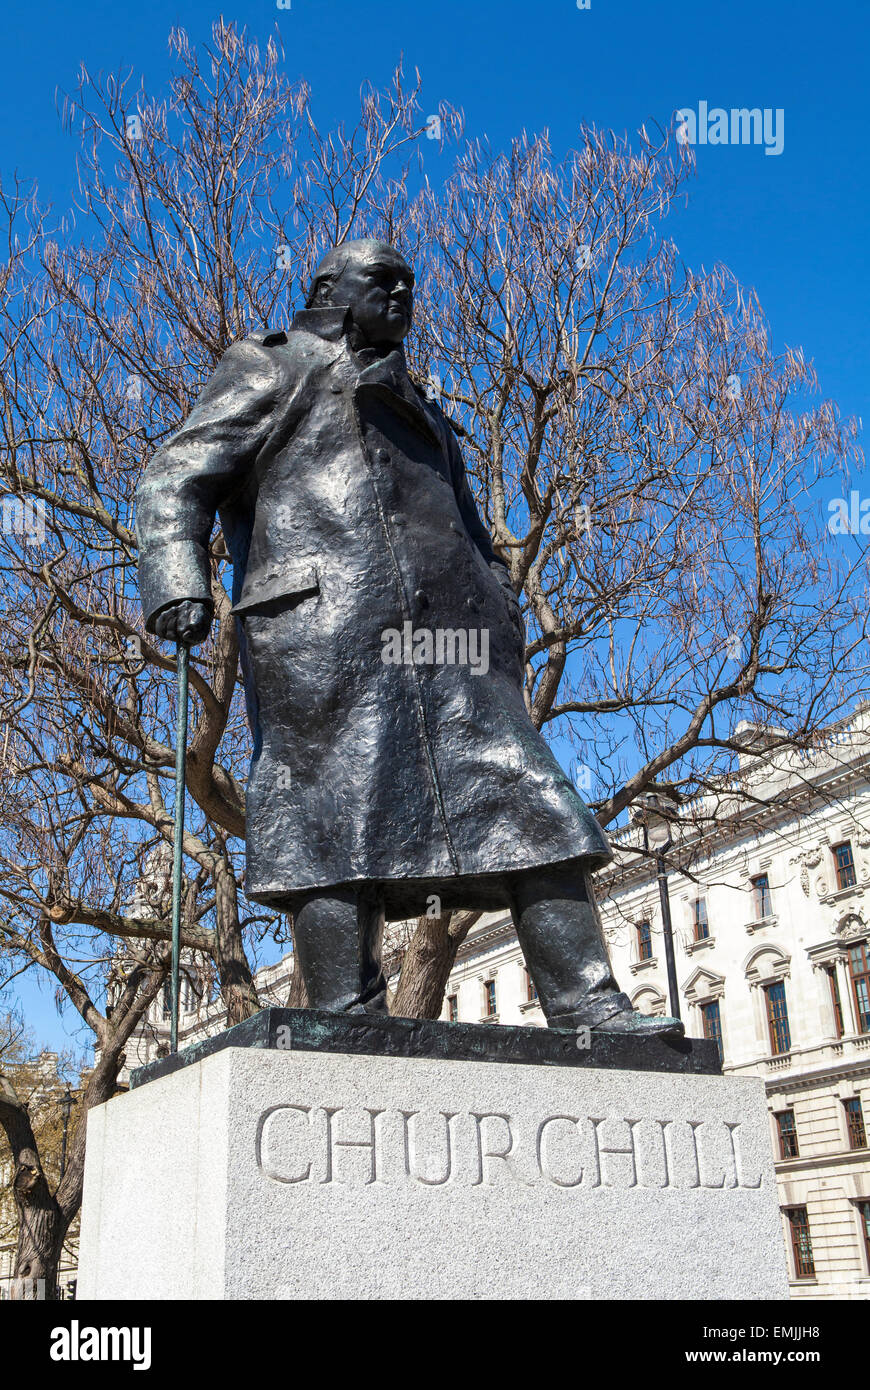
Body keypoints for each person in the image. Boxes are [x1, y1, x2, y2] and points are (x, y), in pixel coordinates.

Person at [137, 239, 682, 1038]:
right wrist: (177, 579)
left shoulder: (426, 407)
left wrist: (500, 603)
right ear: (329, 289)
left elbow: (470, 525)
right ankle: (342, 1010)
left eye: (409, 285)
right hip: (324, 635)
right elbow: (173, 476)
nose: (400, 295)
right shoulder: (271, 366)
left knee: (532, 800)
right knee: (331, 810)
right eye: (381, 282)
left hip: (455, 651)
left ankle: (587, 1004)